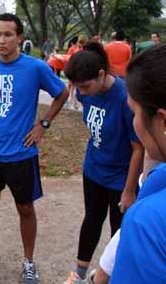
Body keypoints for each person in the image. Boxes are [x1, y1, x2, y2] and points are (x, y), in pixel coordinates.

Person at [0, 13, 69, 284]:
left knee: (25, 209)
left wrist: (43, 124)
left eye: (8, 35)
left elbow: (62, 93)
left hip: (22, 154)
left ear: (19, 37)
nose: (2, 40)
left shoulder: (35, 67)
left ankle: (28, 262)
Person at [63, 42, 144, 284]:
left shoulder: (124, 97)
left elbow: (138, 149)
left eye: (85, 87)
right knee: (92, 220)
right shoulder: (86, 90)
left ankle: (112, 276)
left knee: (119, 230)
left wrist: (129, 191)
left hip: (121, 177)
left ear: (101, 75)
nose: (81, 93)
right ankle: (78, 274)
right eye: (78, 88)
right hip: (94, 169)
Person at [108, 43, 166, 283]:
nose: (135, 124)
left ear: (162, 120)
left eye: (135, 113)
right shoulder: (157, 181)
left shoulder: (147, 220)